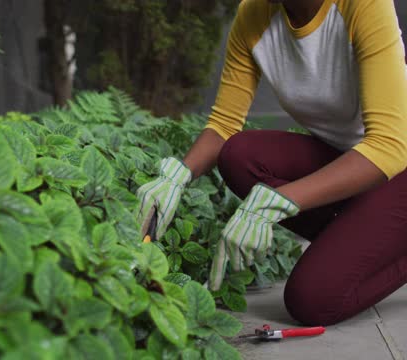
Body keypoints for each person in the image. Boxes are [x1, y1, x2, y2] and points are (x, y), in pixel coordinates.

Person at [136, 0, 407, 326]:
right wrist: (177, 177)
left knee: (312, 299)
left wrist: (280, 201)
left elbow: (389, 145)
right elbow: (224, 124)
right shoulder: (254, 14)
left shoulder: (363, 5)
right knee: (239, 157)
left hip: (397, 164)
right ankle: (364, 239)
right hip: (347, 158)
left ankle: (380, 243)